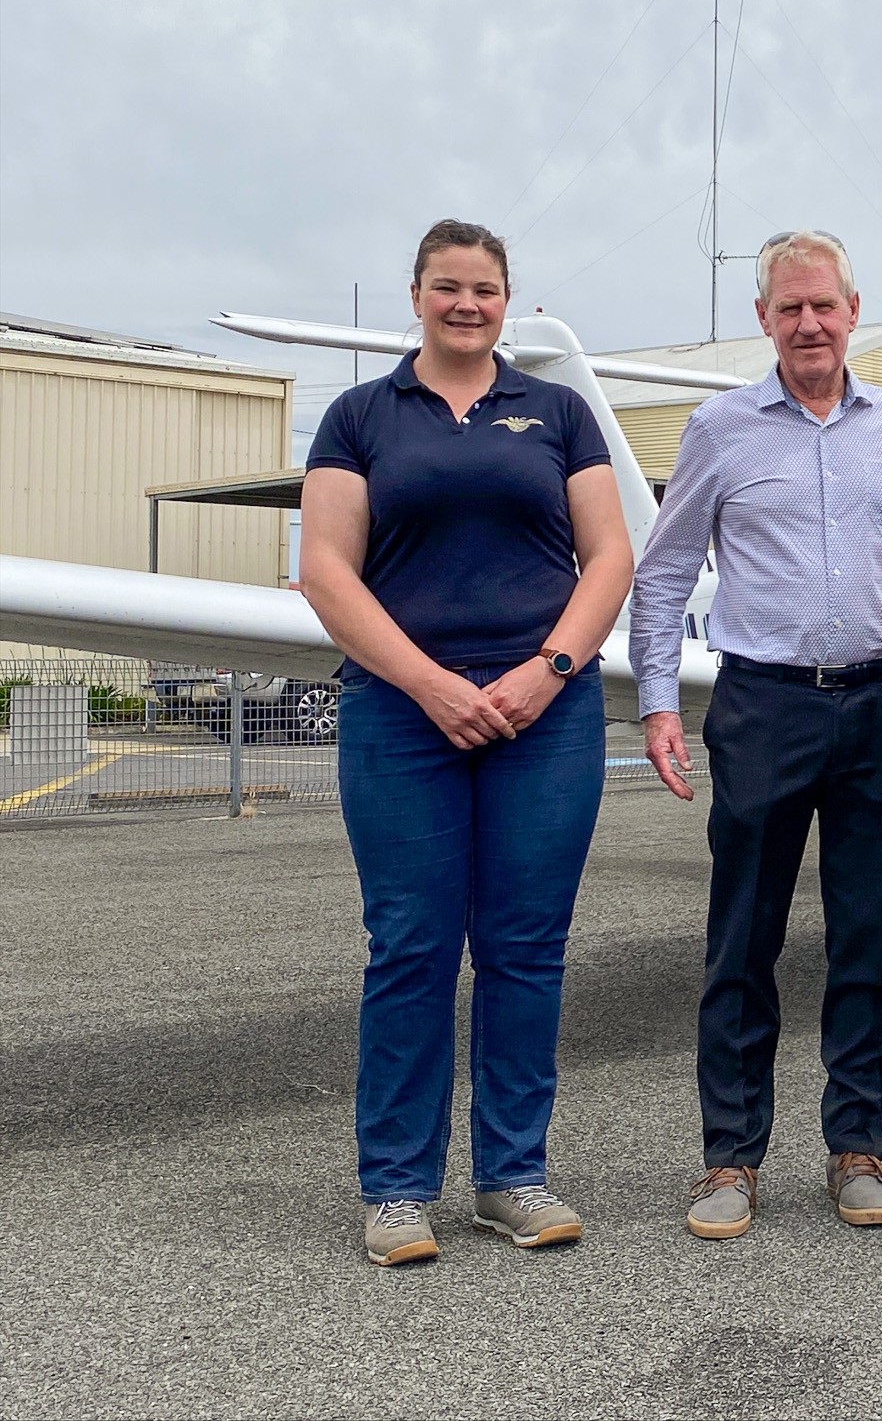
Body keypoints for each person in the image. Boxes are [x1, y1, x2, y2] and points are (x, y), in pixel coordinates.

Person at [300, 218, 634, 1267]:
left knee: (526, 949)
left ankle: (511, 1176)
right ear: (417, 295)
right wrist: (434, 685)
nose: (467, 303)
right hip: (403, 715)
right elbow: (325, 572)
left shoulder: (558, 412)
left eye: (485, 288)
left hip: (545, 713)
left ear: (506, 298)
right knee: (410, 946)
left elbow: (610, 554)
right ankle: (397, 1187)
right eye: (448, 286)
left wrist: (547, 673)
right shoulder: (359, 416)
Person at [631, 230, 882, 1240]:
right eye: (788, 308)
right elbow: (665, 566)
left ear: (852, 311)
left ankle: (857, 1145)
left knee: (864, 935)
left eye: (824, 305)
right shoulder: (719, 430)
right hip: (762, 706)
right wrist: (653, 699)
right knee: (743, 937)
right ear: (765, 319)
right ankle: (729, 1155)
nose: (808, 323)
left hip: (879, 705)